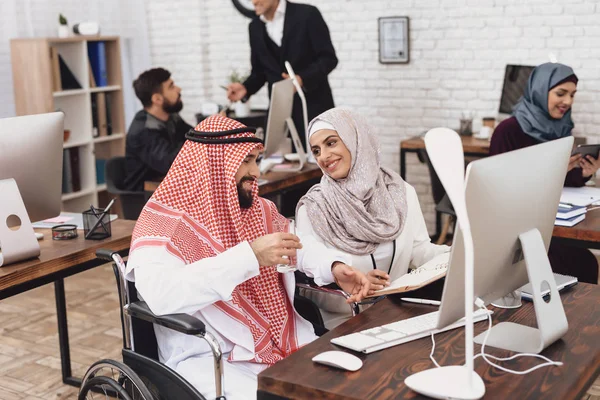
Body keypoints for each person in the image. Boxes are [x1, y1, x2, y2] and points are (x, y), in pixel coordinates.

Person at [125, 115, 370, 399]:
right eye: (246, 161)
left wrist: (334, 267)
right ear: (212, 164)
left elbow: (296, 245)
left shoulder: (256, 209)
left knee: (346, 384)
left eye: (256, 160)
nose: (256, 171)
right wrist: (250, 256)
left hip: (275, 337)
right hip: (207, 355)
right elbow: (161, 295)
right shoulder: (162, 224)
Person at [295, 108, 451, 329]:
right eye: (316, 150)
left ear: (356, 140)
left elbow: (419, 251)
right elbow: (311, 287)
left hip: (401, 312)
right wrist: (353, 285)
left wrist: (455, 254)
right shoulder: (313, 208)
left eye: (331, 143)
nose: (323, 156)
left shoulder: (400, 193)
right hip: (346, 322)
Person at [490, 62, 599, 284]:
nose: (568, 102)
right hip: (515, 229)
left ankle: (575, 318)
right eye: (561, 93)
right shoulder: (508, 131)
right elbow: (498, 187)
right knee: (569, 263)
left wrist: (585, 173)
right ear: (540, 90)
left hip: (547, 224)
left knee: (585, 261)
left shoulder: (560, 128)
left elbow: (562, 179)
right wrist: (551, 172)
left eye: (572, 95)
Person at [226, 0, 337, 149]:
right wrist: (246, 88)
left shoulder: (308, 15)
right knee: (277, 165)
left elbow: (328, 58)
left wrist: (301, 79)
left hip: (313, 108)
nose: (253, 1)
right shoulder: (255, 27)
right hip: (279, 114)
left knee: (319, 165)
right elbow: (259, 72)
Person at [124, 67, 193, 191]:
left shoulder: (171, 117)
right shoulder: (143, 131)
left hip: (169, 187)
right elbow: (171, 163)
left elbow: (193, 135)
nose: (178, 89)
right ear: (157, 99)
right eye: (171, 86)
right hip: (146, 198)